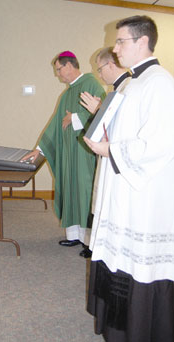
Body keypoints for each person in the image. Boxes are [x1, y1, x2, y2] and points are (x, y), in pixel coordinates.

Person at [83, 15, 174, 342]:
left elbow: (158, 143)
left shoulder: (161, 82)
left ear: (142, 42)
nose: (116, 48)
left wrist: (110, 150)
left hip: (143, 196)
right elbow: (127, 131)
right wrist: (103, 132)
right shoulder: (134, 82)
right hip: (123, 188)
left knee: (139, 265)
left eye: (121, 41)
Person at [22, 51, 105, 258]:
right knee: (71, 190)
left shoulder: (91, 83)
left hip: (85, 153)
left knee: (85, 193)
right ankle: (75, 235)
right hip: (70, 154)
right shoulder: (67, 93)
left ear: (70, 65)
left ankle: (90, 243)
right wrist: (39, 149)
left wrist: (75, 118)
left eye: (59, 69)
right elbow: (54, 125)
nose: (58, 75)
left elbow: (103, 112)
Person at [80, 46, 131, 113]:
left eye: (100, 70)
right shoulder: (124, 85)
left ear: (110, 65)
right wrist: (102, 107)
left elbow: (122, 120)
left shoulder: (129, 87)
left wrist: (98, 110)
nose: (99, 75)